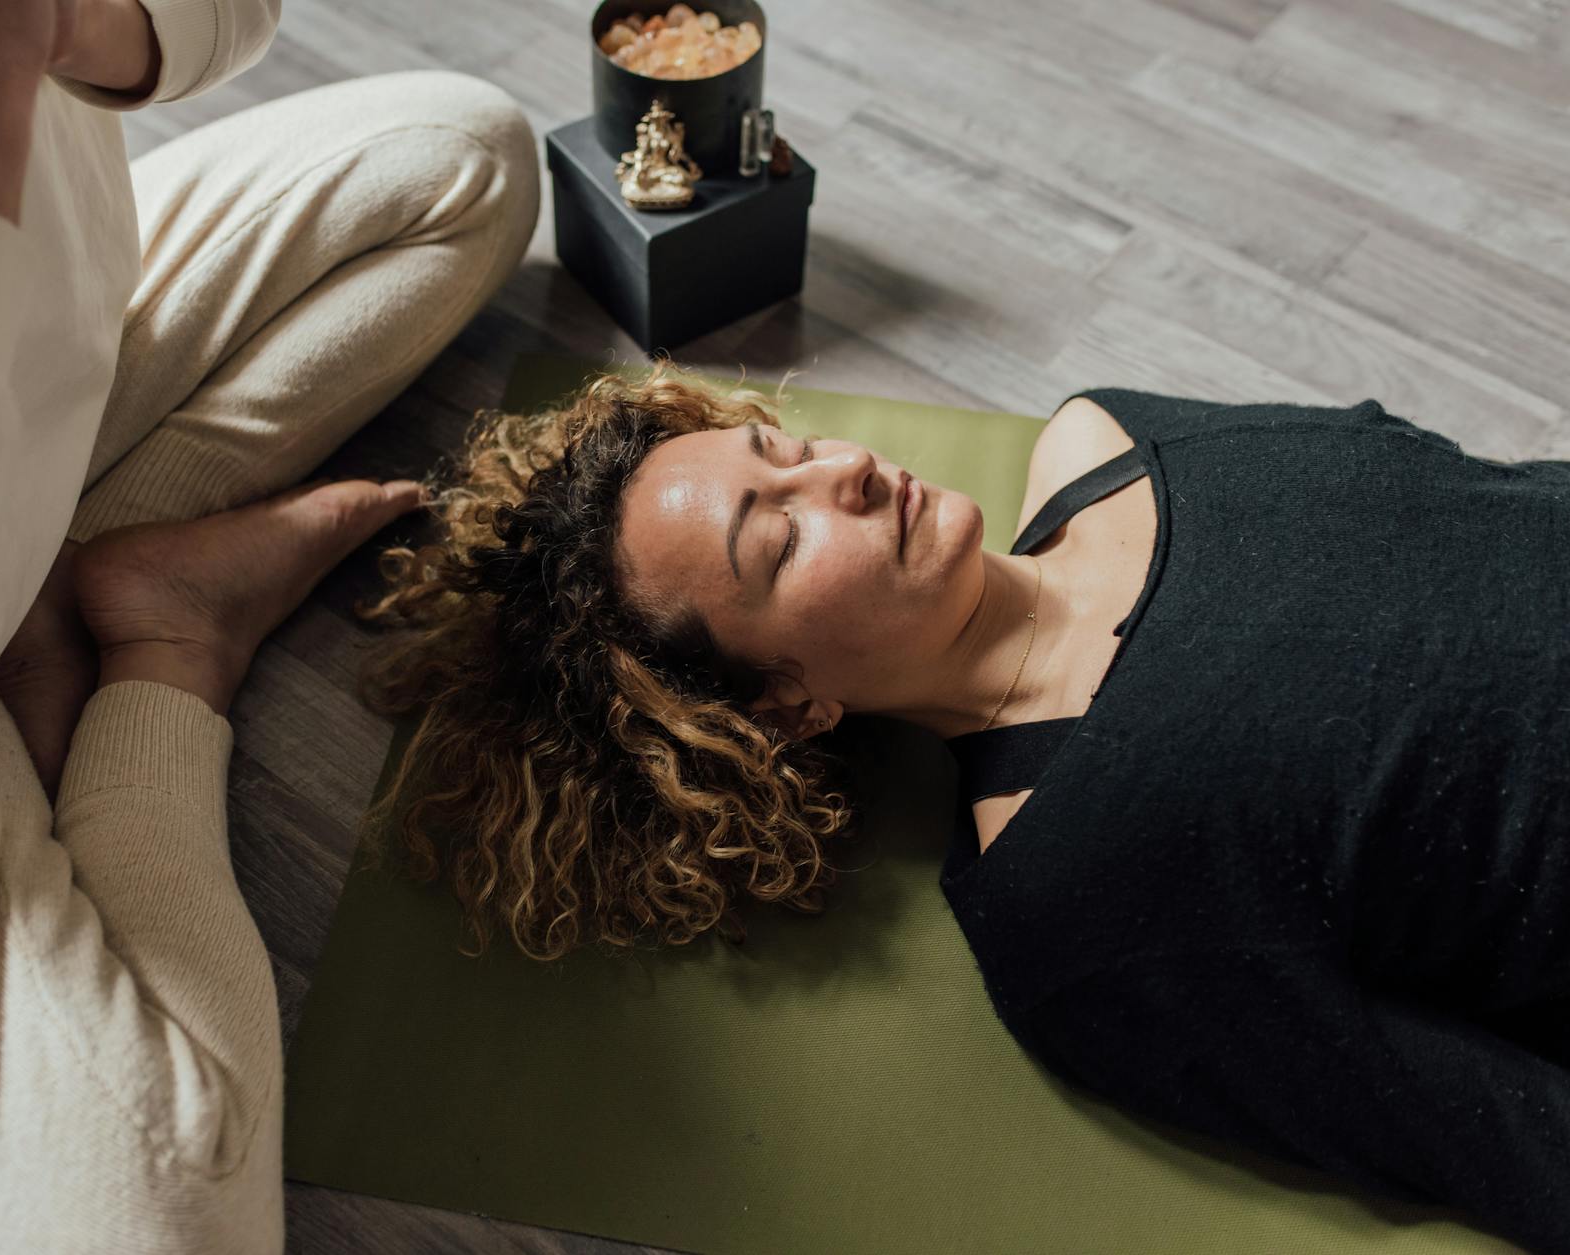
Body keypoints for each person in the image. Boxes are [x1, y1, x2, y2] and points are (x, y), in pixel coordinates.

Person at [353, 364, 1570, 1254]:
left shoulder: (1105, 435)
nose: (845, 474)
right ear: (779, 709)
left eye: (782, 454)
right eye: (777, 537)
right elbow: (1494, 1133)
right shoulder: (1072, 898)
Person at [0, 0, 537, 1251]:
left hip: (42, 389)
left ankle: (92, 565)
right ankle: (166, 644)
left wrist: (58, 24)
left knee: (465, 157)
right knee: (158, 1223)